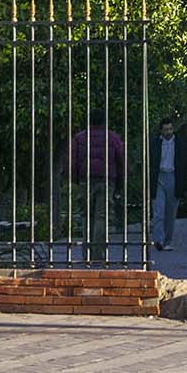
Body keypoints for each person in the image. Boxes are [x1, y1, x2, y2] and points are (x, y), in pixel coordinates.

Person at [69, 109, 124, 261]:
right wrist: (120, 183)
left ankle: (86, 253)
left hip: (86, 179)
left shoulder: (80, 138)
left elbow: (73, 161)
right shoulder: (112, 137)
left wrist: (76, 179)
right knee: (101, 217)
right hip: (106, 180)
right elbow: (121, 161)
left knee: (87, 216)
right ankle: (97, 255)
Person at [150, 116, 187, 252]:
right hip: (159, 176)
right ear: (161, 130)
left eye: (171, 129)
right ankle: (158, 240)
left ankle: (167, 241)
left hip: (173, 177)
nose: (169, 132)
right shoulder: (155, 143)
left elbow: (184, 162)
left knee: (171, 212)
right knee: (158, 211)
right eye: (166, 130)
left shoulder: (179, 143)